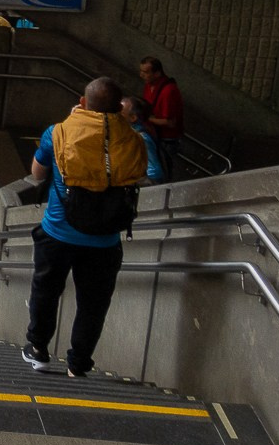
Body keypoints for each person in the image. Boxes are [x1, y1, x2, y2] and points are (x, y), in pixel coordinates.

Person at [24, 78, 151, 378]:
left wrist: (74, 125)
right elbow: (139, 176)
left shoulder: (57, 132)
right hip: (105, 241)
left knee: (46, 290)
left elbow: (37, 173)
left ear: (83, 102)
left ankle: (38, 350)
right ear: (120, 108)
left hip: (58, 232)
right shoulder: (134, 141)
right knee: (93, 304)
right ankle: (78, 363)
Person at [138, 56, 184, 180]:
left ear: (157, 73)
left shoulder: (169, 91)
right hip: (154, 134)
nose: (142, 75)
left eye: (146, 72)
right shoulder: (148, 86)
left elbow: (170, 122)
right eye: (141, 71)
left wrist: (146, 118)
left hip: (167, 139)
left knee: (165, 170)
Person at [121, 97, 168, 184]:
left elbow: (155, 171)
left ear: (133, 118)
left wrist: (136, 182)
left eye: (120, 114)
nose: (115, 116)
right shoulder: (129, 134)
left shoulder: (141, 137)